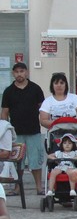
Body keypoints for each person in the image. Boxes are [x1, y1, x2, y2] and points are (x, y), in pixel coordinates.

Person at [2, 62, 46, 194]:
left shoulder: (35, 89)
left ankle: (39, 187)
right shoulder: (8, 91)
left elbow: (43, 109)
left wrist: (45, 122)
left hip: (34, 131)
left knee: (35, 161)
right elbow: (4, 112)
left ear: (26, 72)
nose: (19, 74)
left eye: (21, 71)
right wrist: (5, 131)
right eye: (16, 72)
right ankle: (17, 188)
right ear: (13, 74)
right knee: (17, 162)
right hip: (16, 133)